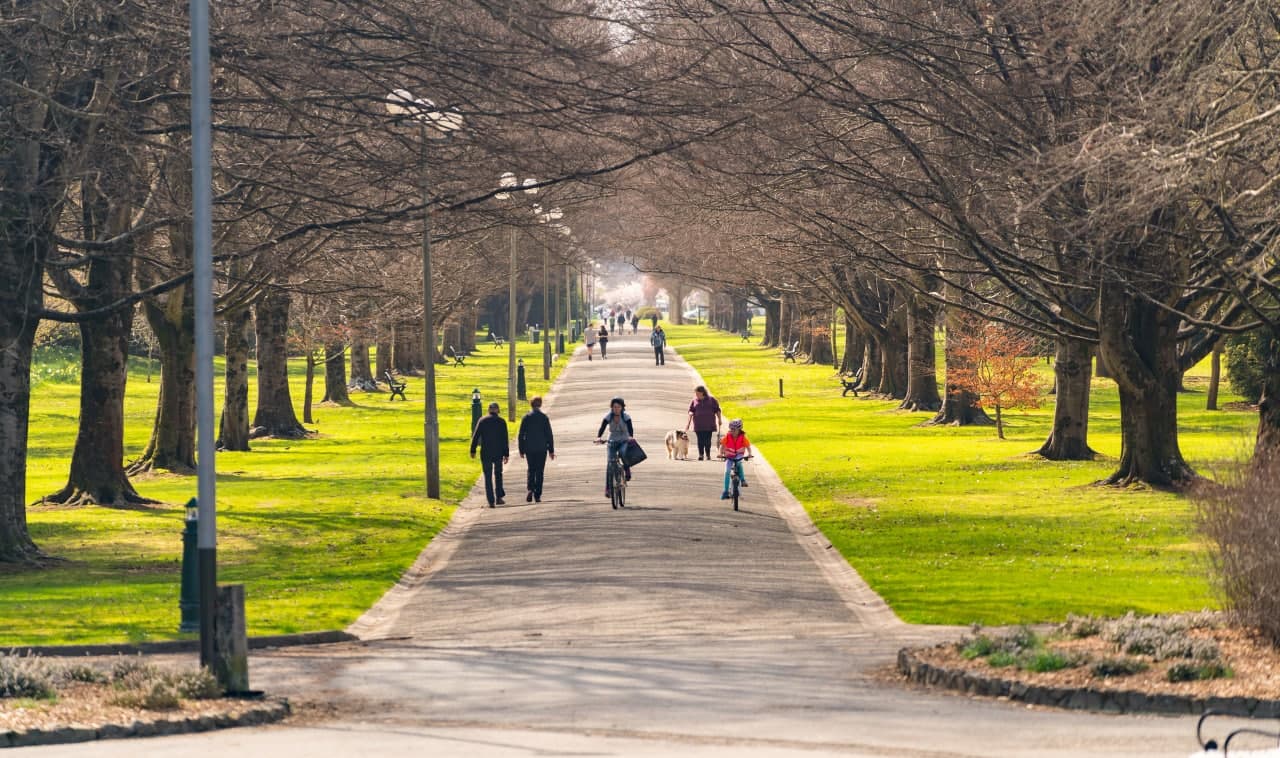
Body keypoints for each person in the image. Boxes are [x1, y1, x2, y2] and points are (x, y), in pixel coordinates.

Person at [470, 402, 509, 507]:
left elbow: (476, 436)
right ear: (498, 410)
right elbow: (505, 439)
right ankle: (499, 497)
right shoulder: (501, 422)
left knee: (487, 476)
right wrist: (506, 454)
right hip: (498, 452)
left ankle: (490, 500)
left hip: (486, 452)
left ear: (488, 410)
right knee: (498, 474)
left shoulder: (482, 421)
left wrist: (472, 450)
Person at [595, 396, 634, 499]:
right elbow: (602, 427)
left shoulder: (626, 417)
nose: (616, 409)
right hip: (611, 441)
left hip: (624, 440)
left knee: (623, 453)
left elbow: (630, 429)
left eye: (618, 407)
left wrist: (630, 437)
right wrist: (599, 437)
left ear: (622, 407)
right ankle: (608, 488)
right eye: (614, 407)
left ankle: (627, 468)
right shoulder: (608, 416)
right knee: (610, 464)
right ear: (611, 407)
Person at [518, 396, 555, 503]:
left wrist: (521, 449)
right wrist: (551, 450)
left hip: (529, 447)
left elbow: (521, 434)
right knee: (540, 471)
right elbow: (549, 435)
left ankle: (530, 489)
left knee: (531, 469)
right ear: (540, 404)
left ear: (531, 404)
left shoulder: (526, 417)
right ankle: (537, 494)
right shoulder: (544, 417)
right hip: (541, 447)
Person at [684, 385, 722, 460]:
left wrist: (719, 419)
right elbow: (691, 411)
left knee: (707, 440)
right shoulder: (694, 401)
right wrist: (688, 422)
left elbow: (717, 410)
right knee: (700, 440)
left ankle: (708, 454)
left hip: (709, 424)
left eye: (697, 393)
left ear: (702, 392)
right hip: (698, 424)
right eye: (695, 393)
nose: (696, 395)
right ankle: (701, 455)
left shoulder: (711, 400)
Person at [719, 418, 753, 499]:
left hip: (739, 455)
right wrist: (720, 453)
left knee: (739, 463)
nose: (733, 431)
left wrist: (749, 454)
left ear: (739, 429)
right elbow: (722, 446)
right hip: (729, 456)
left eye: (734, 429)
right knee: (727, 471)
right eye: (731, 429)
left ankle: (743, 480)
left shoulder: (743, 437)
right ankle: (725, 491)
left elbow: (748, 446)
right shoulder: (727, 436)